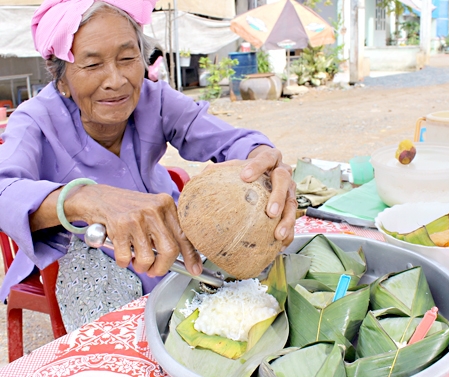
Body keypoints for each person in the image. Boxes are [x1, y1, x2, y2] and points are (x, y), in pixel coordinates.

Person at [0, 0, 297, 331]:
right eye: (92, 65)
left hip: (170, 237)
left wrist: (262, 158)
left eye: (127, 59)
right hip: (91, 253)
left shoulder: (154, 99)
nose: (116, 80)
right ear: (62, 79)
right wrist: (84, 199)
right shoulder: (34, 120)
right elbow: (4, 192)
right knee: (130, 334)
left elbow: (229, 140)